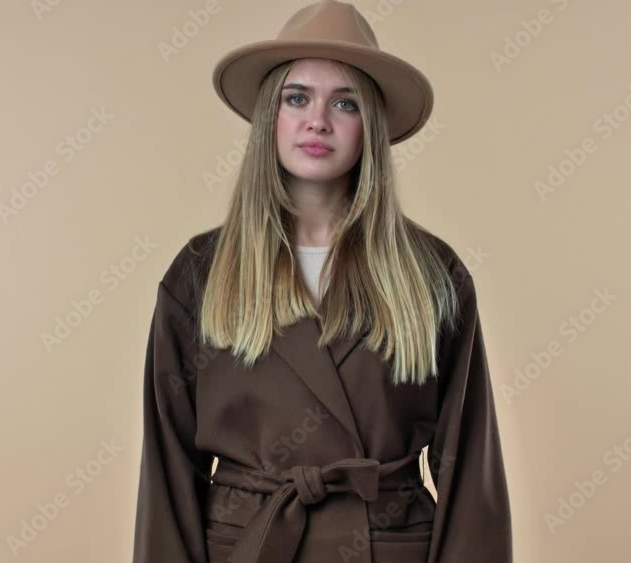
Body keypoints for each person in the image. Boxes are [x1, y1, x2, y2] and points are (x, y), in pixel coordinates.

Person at [132, 1, 512, 562]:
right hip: (248, 546)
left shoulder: (431, 273)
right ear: (271, 117)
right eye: (297, 97)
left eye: (345, 102)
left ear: (371, 127)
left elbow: (470, 460)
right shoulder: (202, 271)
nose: (318, 121)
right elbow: (167, 466)